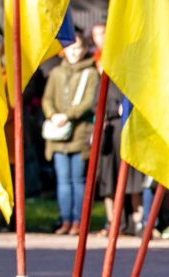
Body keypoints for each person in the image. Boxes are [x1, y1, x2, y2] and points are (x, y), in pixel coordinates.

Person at [42, 34, 98, 236]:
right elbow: (47, 99)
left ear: (84, 50)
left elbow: (89, 102)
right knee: (63, 181)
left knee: (78, 180)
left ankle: (79, 221)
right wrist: (52, 114)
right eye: (70, 49)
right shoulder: (56, 72)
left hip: (79, 135)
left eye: (78, 49)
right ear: (63, 51)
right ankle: (65, 219)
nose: (74, 53)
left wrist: (68, 116)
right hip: (58, 136)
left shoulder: (91, 73)